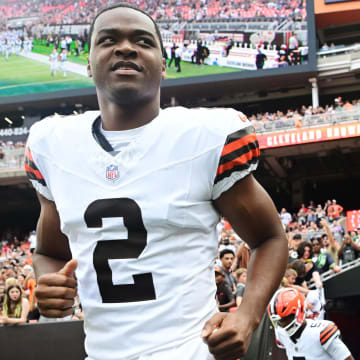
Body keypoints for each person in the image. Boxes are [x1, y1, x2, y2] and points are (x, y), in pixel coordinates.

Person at [25, 4, 288, 360]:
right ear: (88, 62)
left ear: (164, 65)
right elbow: (49, 252)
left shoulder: (205, 136)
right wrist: (49, 283)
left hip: (191, 351)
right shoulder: (52, 145)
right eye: (108, 39)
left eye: (143, 40)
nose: (126, 48)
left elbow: (270, 238)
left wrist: (247, 316)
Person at [268, 288, 354, 360]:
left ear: (300, 310)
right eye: (279, 321)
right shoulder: (281, 333)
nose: (283, 324)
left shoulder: (321, 331)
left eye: (286, 318)